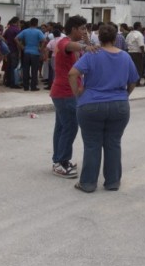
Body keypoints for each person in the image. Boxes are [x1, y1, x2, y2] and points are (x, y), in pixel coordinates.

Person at [68, 24, 139, 193]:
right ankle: (112, 182)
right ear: (115, 39)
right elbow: (133, 81)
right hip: (119, 104)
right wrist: (124, 96)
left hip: (91, 104)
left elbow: (72, 73)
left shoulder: (92, 54)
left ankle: (88, 183)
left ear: (99, 38)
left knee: (92, 144)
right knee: (113, 143)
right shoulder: (125, 57)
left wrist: (78, 93)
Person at [50, 15, 92, 178]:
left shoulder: (74, 45)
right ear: (73, 28)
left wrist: (86, 42)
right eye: (82, 28)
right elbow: (72, 46)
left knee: (61, 127)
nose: (84, 32)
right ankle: (61, 161)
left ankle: (59, 160)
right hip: (64, 92)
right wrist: (87, 45)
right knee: (70, 127)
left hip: (65, 91)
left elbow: (80, 48)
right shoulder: (64, 42)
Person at [16, 18, 46, 91]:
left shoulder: (25, 31)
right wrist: (41, 49)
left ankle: (26, 86)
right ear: (36, 23)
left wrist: (22, 47)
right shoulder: (38, 32)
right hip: (35, 52)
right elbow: (44, 40)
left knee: (26, 70)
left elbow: (16, 38)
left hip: (26, 52)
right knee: (34, 70)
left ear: (30, 23)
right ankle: (33, 87)